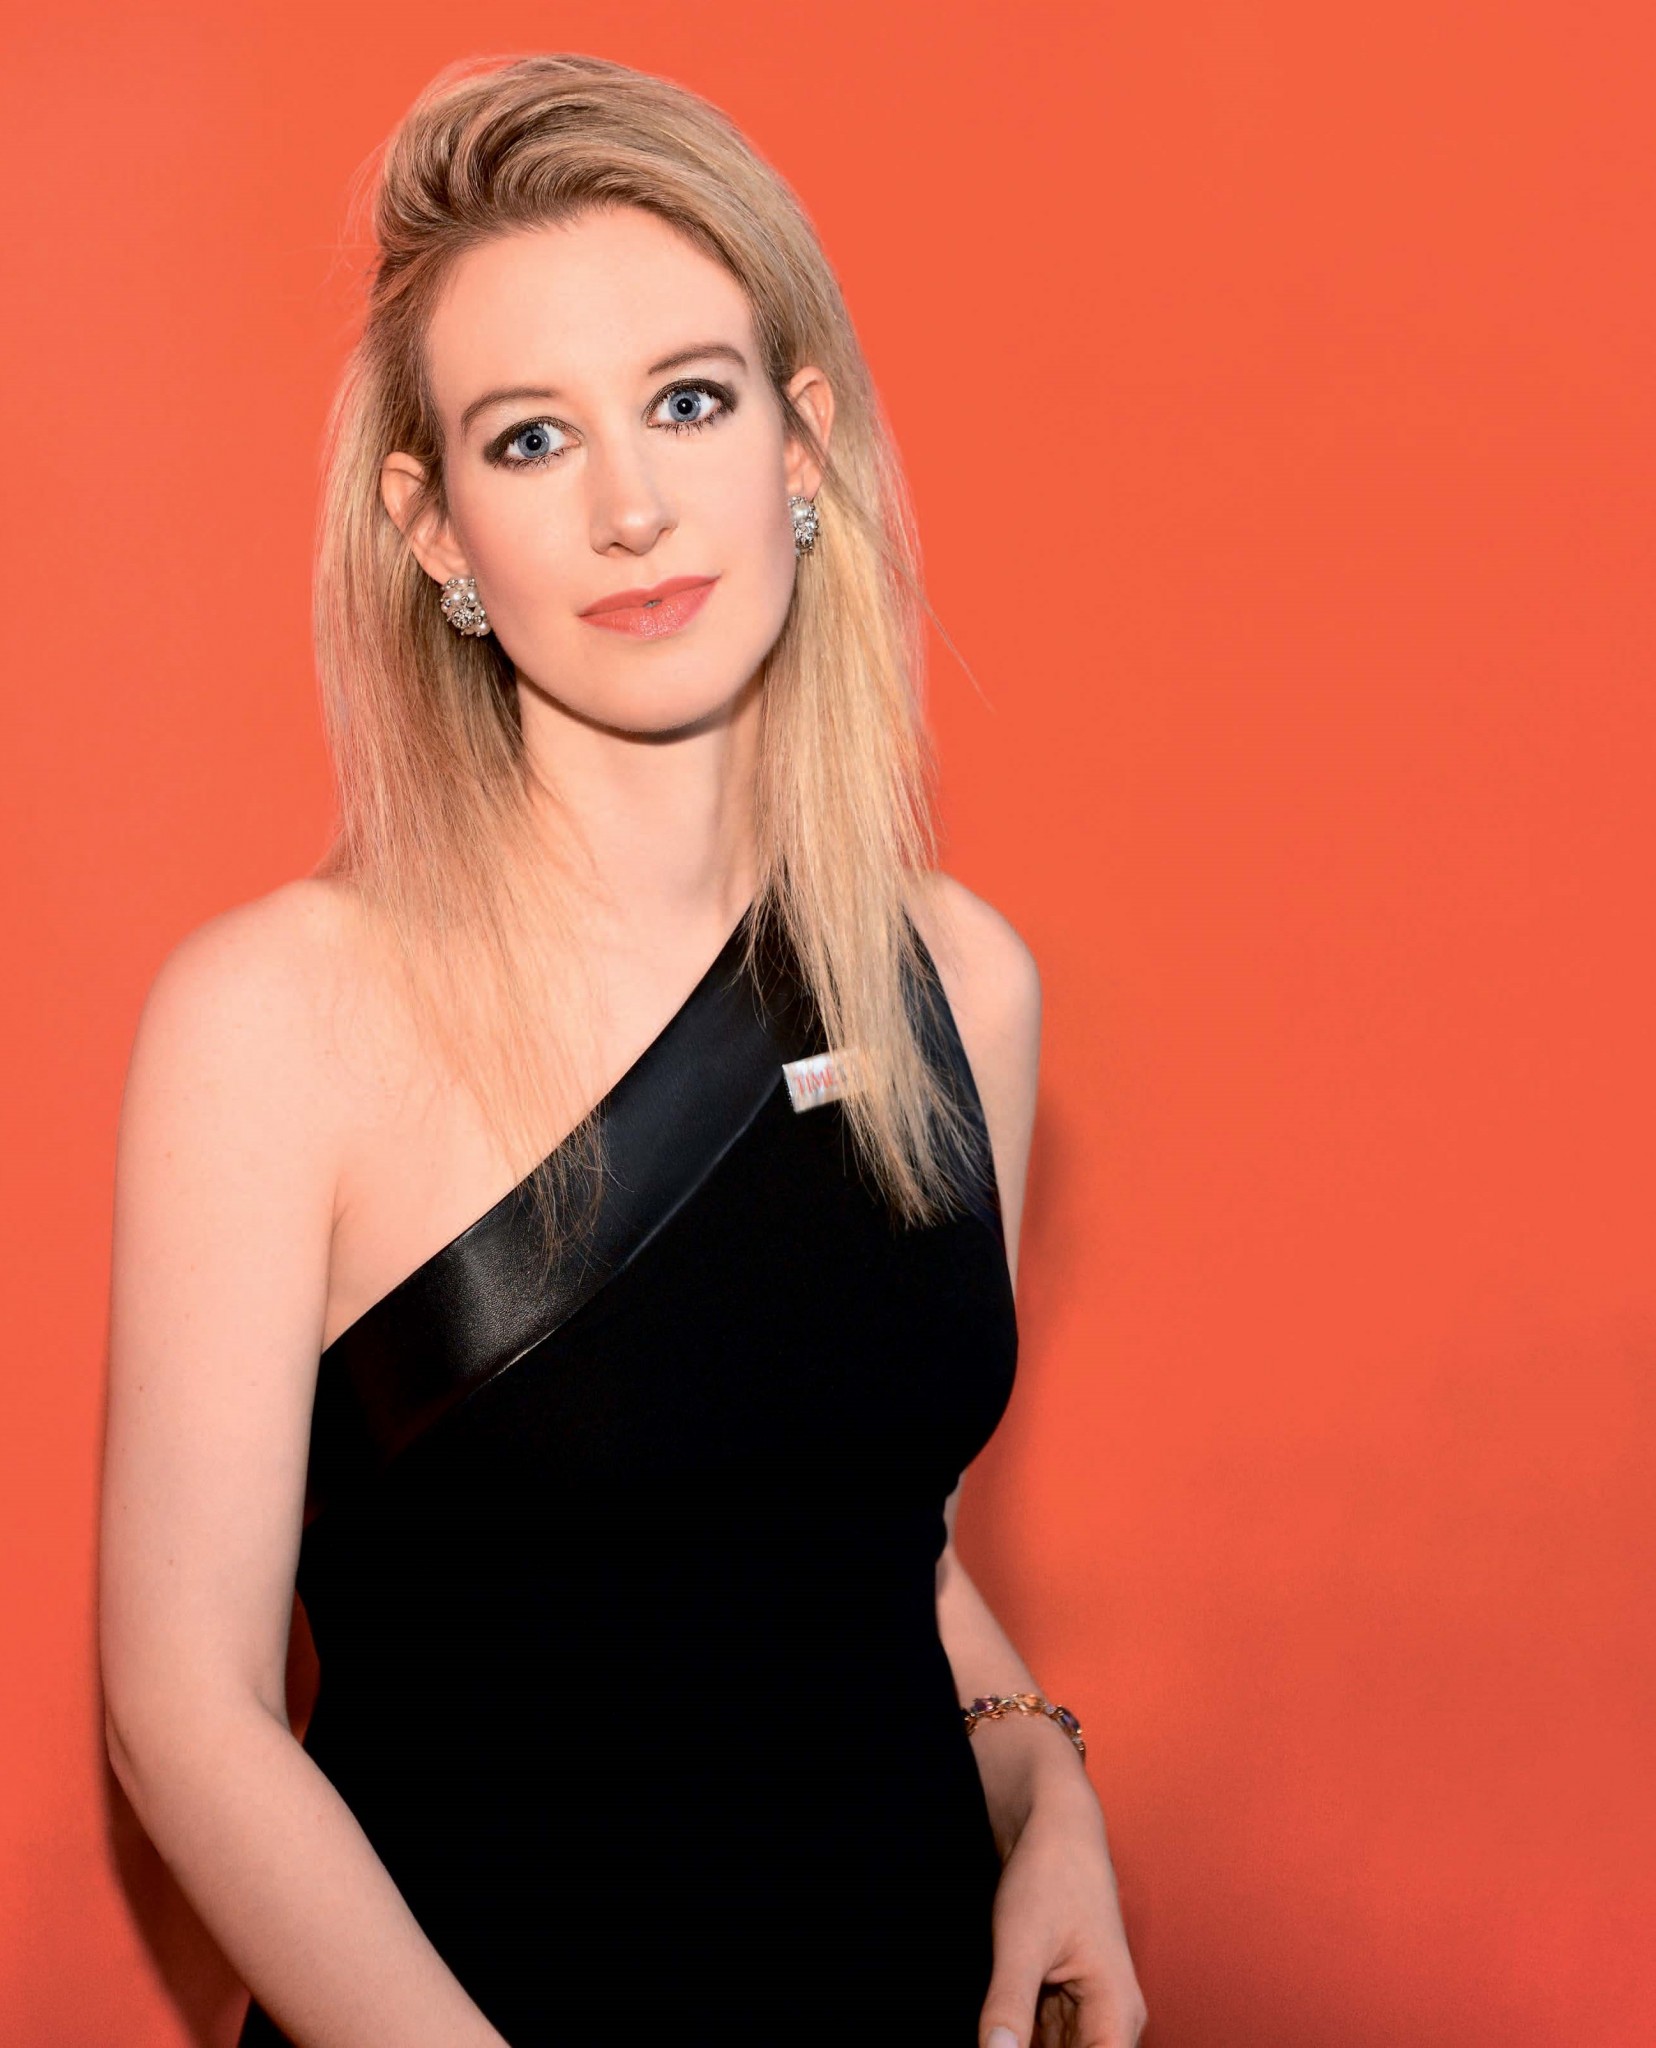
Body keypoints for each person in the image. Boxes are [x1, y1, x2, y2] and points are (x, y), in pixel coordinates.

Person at [97, 51, 1148, 2048]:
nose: (633, 505)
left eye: (686, 401)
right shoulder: (276, 1018)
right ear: (432, 531)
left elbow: (869, 1537)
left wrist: (1047, 1794)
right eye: (530, 439)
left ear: (801, 441)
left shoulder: (962, 980)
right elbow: (184, 1715)